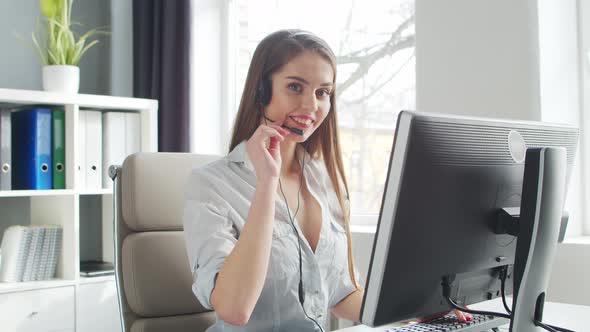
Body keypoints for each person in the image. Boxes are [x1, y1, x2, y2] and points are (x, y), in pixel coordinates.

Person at [183, 29, 470, 331]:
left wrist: (413, 310)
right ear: (261, 91)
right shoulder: (211, 185)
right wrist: (267, 183)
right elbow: (234, 308)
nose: (311, 107)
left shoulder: (325, 179)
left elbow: (343, 294)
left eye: (322, 93)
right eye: (295, 87)